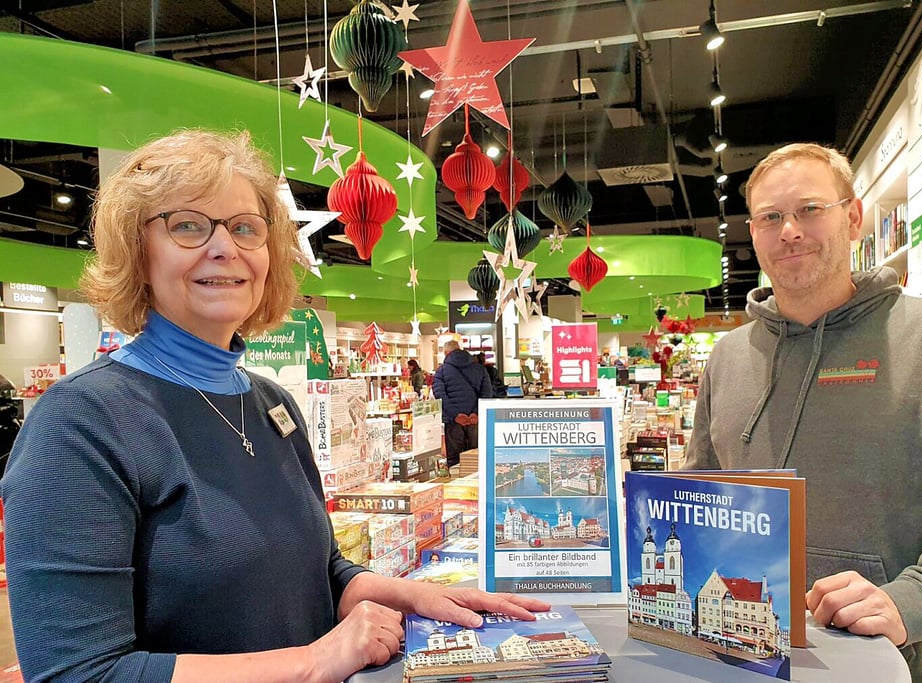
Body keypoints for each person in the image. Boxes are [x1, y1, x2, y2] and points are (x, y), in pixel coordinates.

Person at [0, 130, 548, 683]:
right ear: (136, 252)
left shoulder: (271, 404)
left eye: (245, 227)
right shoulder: (80, 423)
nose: (225, 248)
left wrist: (413, 596)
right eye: (187, 225)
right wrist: (314, 662)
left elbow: (316, 572)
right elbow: (76, 672)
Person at [683, 142, 922, 683]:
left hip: (907, 666)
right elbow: (698, 501)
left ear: (853, 217)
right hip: (750, 661)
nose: (789, 231)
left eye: (809, 209)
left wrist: (916, 600)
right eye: (770, 217)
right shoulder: (728, 359)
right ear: (753, 233)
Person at [432, 340, 492, 466]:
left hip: (453, 422)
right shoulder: (479, 368)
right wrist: (476, 413)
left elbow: (440, 395)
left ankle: (456, 478)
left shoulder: (442, 371)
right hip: (474, 421)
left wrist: (455, 415)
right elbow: (487, 393)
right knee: (475, 457)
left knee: (455, 460)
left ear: (446, 353)